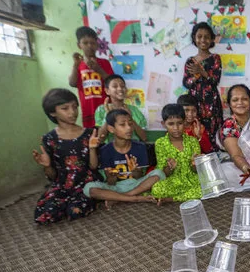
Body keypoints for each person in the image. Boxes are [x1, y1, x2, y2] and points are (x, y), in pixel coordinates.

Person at [33, 89, 99, 224]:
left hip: (86, 183)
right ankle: (63, 204)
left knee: (75, 211)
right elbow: (52, 176)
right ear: (52, 112)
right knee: (46, 214)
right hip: (62, 185)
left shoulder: (89, 133)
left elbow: (94, 166)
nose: (72, 112)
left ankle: (74, 204)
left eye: (75, 107)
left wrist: (92, 148)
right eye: (65, 108)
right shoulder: (49, 139)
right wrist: (47, 166)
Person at [84, 109, 165, 206]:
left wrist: (136, 171)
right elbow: (111, 183)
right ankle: (134, 198)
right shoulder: (105, 150)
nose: (128, 128)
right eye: (123, 125)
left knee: (159, 173)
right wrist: (111, 177)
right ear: (111, 129)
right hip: (115, 187)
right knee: (89, 188)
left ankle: (121, 198)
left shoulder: (140, 147)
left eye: (130, 124)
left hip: (136, 184)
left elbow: (139, 177)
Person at [183, 22, 223, 150]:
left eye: (206, 37)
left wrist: (200, 71)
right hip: (194, 102)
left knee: (212, 131)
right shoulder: (190, 61)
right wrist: (197, 76)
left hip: (211, 103)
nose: (203, 40)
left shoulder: (215, 58)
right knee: (196, 130)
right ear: (194, 38)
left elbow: (215, 80)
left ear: (211, 39)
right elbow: (186, 83)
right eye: (199, 36)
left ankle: (213, 158)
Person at [150, 104, 202, 202]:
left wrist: (195, 164)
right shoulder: (160, 143)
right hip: (173, 180)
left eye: (179, 123)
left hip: (191, 179)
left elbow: (196, 170)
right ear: (163, 124)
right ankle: (185, 196)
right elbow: (162, 173)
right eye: (171, 124)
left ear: (185, 122)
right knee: (157, 189)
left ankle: (172, 199)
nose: (176, 128)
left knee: (204, 187)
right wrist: (170, 168)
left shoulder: (193, 141)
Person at [68, 26, 113, 128]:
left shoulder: (104, 63)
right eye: (85, 43)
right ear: (79, 45)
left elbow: (112, 82)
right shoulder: (78, 65)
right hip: (88, 111)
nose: (89, 46)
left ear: (97, 45)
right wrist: (75, 65)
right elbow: (72, 83)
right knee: (92, 139)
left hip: (105, 109)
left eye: (92, 43)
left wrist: (99, 69)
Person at [219, 84, 250, 190]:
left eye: (244, 99)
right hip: (236, 164)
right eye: (235, 100)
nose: (240, 103)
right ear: (229, 104)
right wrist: (244, 167)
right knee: (227, 173)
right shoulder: (229, 125)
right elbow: (236, 155)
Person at [94, 74, 147, 143]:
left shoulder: (134, 110)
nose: (120, 89)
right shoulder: (101, 109)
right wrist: (108, 115)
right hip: (111, 150)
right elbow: (101, 138)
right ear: (107, 91)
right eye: (115, 86)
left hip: (133, 148)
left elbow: (144, 138)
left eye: (122, 86)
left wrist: (130, 119)